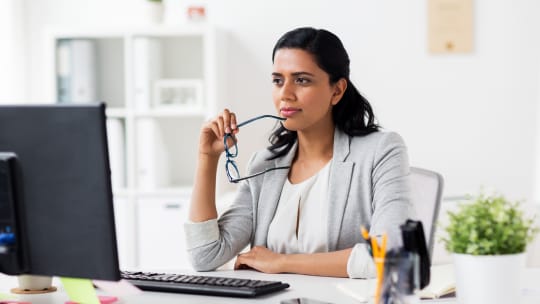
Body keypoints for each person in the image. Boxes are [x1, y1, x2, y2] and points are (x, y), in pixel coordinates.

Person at [185, 27, 412, 278]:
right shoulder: (264, 165)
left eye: (302, 80)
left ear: (336, 91)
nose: (285, 94)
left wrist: (282, 262)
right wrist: (207, 158)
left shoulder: (380, 151)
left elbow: (394, 256)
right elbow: (204, 256)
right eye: (277, 81)